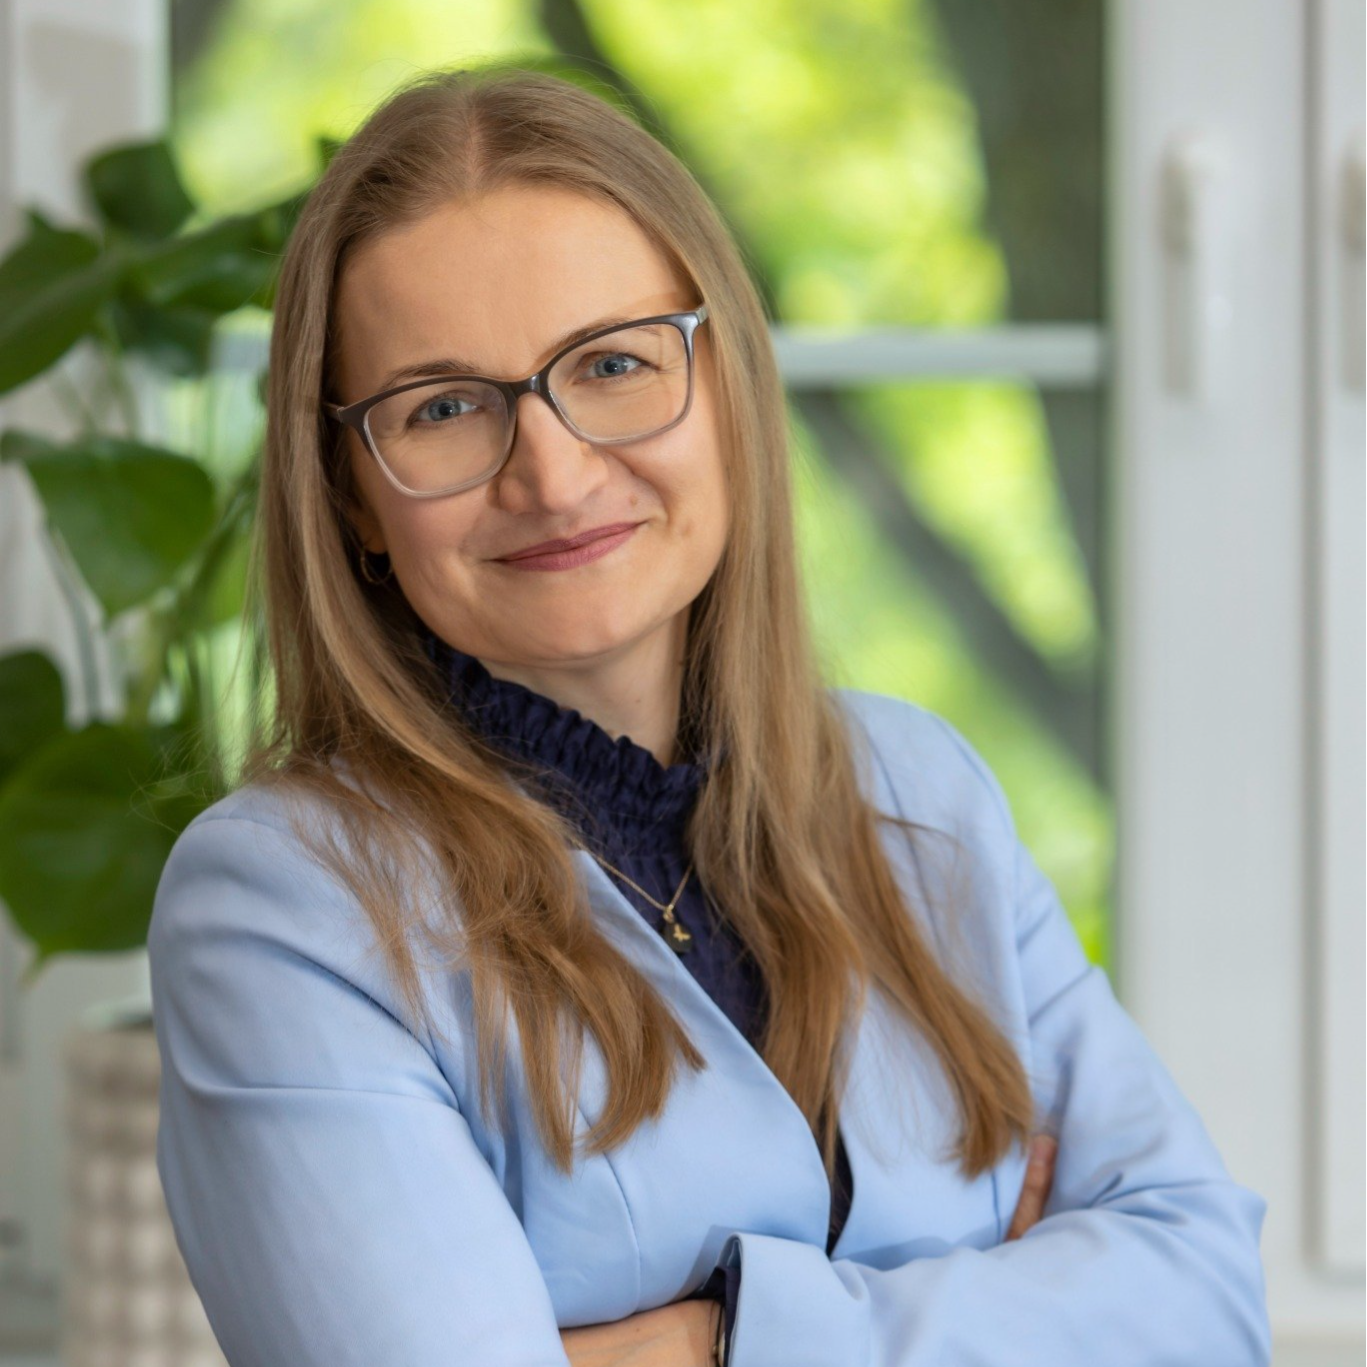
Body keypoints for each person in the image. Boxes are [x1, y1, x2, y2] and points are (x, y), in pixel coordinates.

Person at [147, 63, 1271, 1367]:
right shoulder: (284, 905)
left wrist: (710, 1341)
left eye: (613, 363)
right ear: (349, 492)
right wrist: (1018, 1301)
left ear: (729, 389)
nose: (553, 473)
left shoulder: (920, 787)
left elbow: (1204, 1299)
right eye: (443, 407)